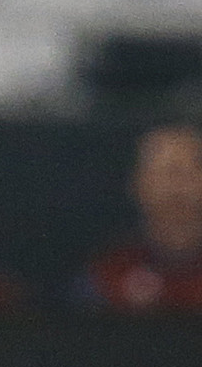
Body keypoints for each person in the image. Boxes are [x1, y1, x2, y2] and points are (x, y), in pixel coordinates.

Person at [79, 122, 202, 314]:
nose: (176, 188)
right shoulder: (108, 275)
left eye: (187, 173)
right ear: (137, 184)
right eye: (165, 173)